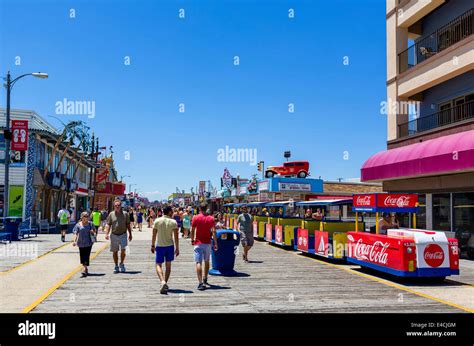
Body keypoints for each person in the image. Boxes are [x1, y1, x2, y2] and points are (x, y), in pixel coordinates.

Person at [151, 206, 179, 294]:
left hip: (160, 246)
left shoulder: (157, 221)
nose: (173, 213)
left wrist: (152, 245)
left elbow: (154, 235)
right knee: (168, 265)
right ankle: (165, 283)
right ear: (169, 212)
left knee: (158, 264)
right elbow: (176, 236)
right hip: (170, 246)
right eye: (172, 211)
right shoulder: (173, 222)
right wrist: (177, 248)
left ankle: (162, 281)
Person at [191, 205, 218, 290]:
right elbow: (213, 231)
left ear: (199, 209)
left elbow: (192, 230)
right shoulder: (211, 218)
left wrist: (192, 239)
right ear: (207, 208)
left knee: (198, 262)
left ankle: (200, 283)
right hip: (208, 243)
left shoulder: (196, 218)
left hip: (198, 243)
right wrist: (216, 243)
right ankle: (205, 278)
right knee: (206, 261)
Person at [105, 200, 133, 273]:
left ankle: (122, 264)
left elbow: (128, 224)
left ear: (121, 206)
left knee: (123, 250)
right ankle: (116, 265)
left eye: (118, 205)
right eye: (116, 205)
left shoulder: (125, 214)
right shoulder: (111, 214)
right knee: (115, 251)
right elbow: (108, 224)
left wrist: (130, 234)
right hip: (114, 235)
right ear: (114, 206)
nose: (117, 206)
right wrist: (106, 233)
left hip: (123, 234)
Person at [72, 212, 97, 277]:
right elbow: (75, 233)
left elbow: (95, 231)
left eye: (87, 216)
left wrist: (93, 231)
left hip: (89, 243)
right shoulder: (78, 225)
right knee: (82, 256)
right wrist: (74, 241)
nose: (86, 217)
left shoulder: (91, 224)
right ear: (81, 217)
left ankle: (85, 269)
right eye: (85, 216)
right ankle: (85, 268)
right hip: (80, 243)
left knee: (86, 255)